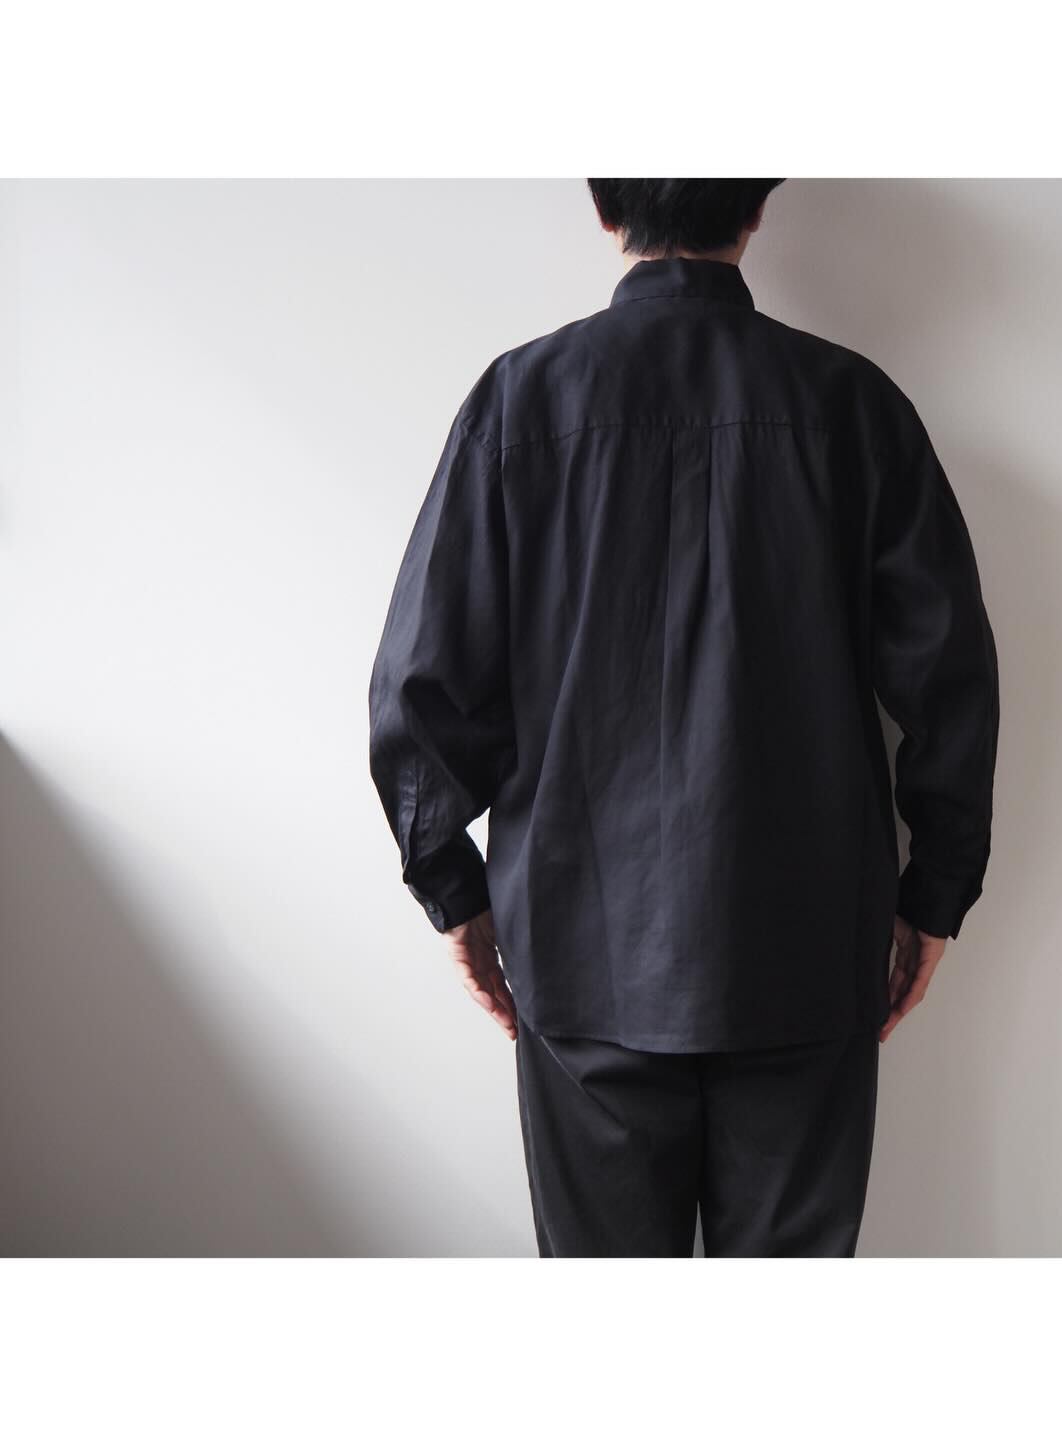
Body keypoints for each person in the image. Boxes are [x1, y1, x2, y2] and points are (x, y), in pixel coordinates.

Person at [367, 179, 1000, 1257]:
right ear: (757, 206)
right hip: (803, 953)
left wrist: (454, 894)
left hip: (581, 958)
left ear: (603, 205)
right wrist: (934, 897)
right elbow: (948, 678)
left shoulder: (519, 404)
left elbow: (423, 684)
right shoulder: (855, 408)